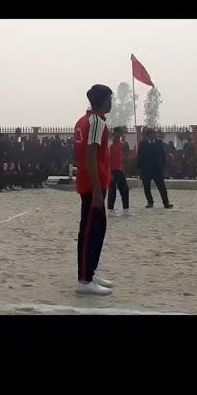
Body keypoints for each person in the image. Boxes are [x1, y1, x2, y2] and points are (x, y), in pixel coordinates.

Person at [74, 84, 114, 296]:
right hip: (92, 184)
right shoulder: (96, 122)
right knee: (91, 231)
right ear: (102, 100)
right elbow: (90, 156)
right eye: (109, 99)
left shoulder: (83, 120)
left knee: (95, 229)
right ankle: (85, 279)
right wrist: (98, 189)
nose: (111, 103)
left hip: (90, 182)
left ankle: (91, 271)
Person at [137, 127, 173, 209]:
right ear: (149, 135)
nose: (155, 135)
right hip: (146, 169)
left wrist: (164, 168)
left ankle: (166, 203)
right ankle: (150, 202)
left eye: (155, 133)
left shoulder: (159, 143)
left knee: (162, 187)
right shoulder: (143, 144)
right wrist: (139, 168)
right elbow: (139, 156)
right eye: (153, 133)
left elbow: (163, 156)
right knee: (146, 187)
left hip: (157, 169)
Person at [107, 126, 130, 216]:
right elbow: (108, 160)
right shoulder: (111, 145)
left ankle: (125, 209)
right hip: (112, 170)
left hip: (119, 170)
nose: (121, 135)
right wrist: (109, 173)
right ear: (115, 133)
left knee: (124, 189)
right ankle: (111, 210)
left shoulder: (122, 145)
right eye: (120, 133)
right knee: (112, 190)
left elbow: (122, 158)